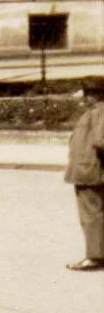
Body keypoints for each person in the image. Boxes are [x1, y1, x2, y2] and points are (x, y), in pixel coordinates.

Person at [64, 80, 104, 272]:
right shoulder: (96, 112)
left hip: (90, 172)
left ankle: (95, 257)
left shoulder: (98, 112)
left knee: (91, 215)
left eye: (87, 94)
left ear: (93, 95)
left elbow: (101, 141)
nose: (84, 98)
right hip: (90, 170)